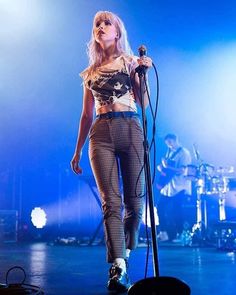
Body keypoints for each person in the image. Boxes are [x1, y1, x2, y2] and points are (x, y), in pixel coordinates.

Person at [70, 11, 152, 292]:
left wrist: (143, 74)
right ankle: (118, 266)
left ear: (117, 32)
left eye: (107, 23)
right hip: (100, 132)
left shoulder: (130, 62)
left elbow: (142, 102)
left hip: (130, 127)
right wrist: (77, 151)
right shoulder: (89, 73)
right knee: (111, 202)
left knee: (135, 201)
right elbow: (84, 115)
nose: (101, 27)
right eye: (97, 24)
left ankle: (126, 252)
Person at [156, 133, 192, 242]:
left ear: (176, 140)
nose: (169, 146)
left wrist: (168, 167)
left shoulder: (184, 153)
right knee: (160, 207)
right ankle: (163, 233)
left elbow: (182, 170)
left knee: (177, 210)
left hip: (180, 186)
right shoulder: (169, 152)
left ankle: (181, 234)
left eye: (170, 143)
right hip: (168, 185)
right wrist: (161, 167)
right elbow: (166, 168)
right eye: (167, 144)